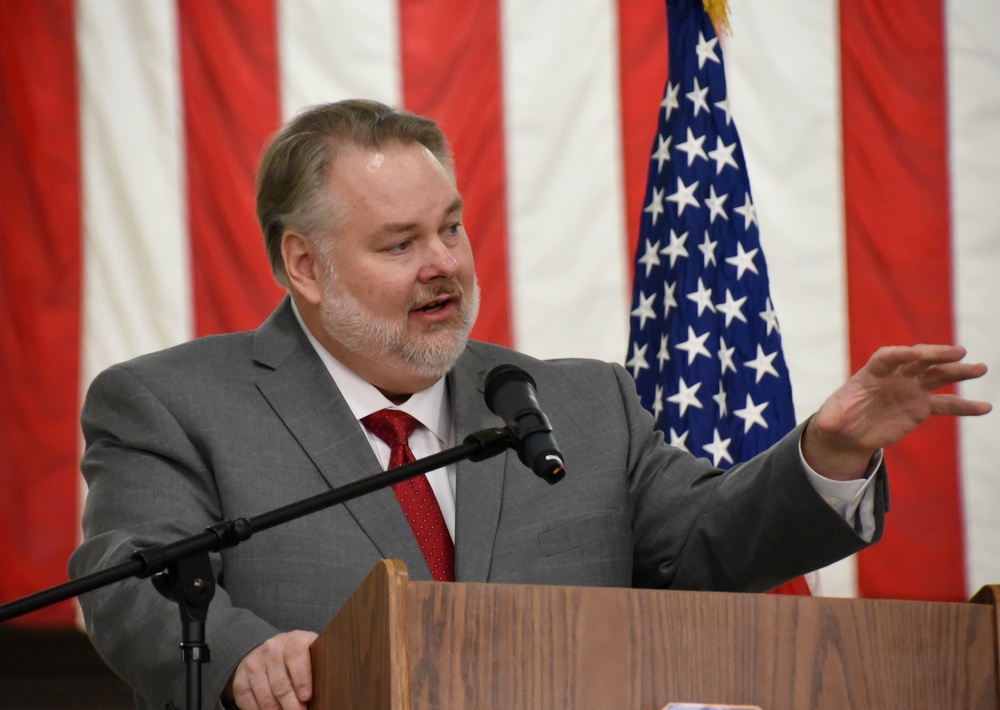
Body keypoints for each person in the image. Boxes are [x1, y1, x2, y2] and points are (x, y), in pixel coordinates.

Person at [68, 100, 991, 710]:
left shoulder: (576, 404)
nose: (445, 264)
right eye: (400, 243)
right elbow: (124, 579)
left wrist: (826, 453)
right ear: (304, 264)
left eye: (452, 226)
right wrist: (239, 657)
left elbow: (708, 545)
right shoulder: (171, 403)